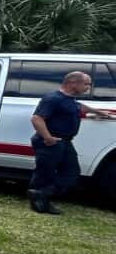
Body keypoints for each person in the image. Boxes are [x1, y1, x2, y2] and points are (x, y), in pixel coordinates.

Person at [28, 71, 115, 214]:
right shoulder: (53, 98)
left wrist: (101, 113)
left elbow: (81, 107)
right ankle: (40, 202)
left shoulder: (70, 100)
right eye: (86, 83)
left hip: (65, 142)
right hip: (51, 141)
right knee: (45, 173)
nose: (88, 87)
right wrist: (48, 137)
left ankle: (41, 194)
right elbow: (37, 118)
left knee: (72, 173)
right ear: (73, 83)